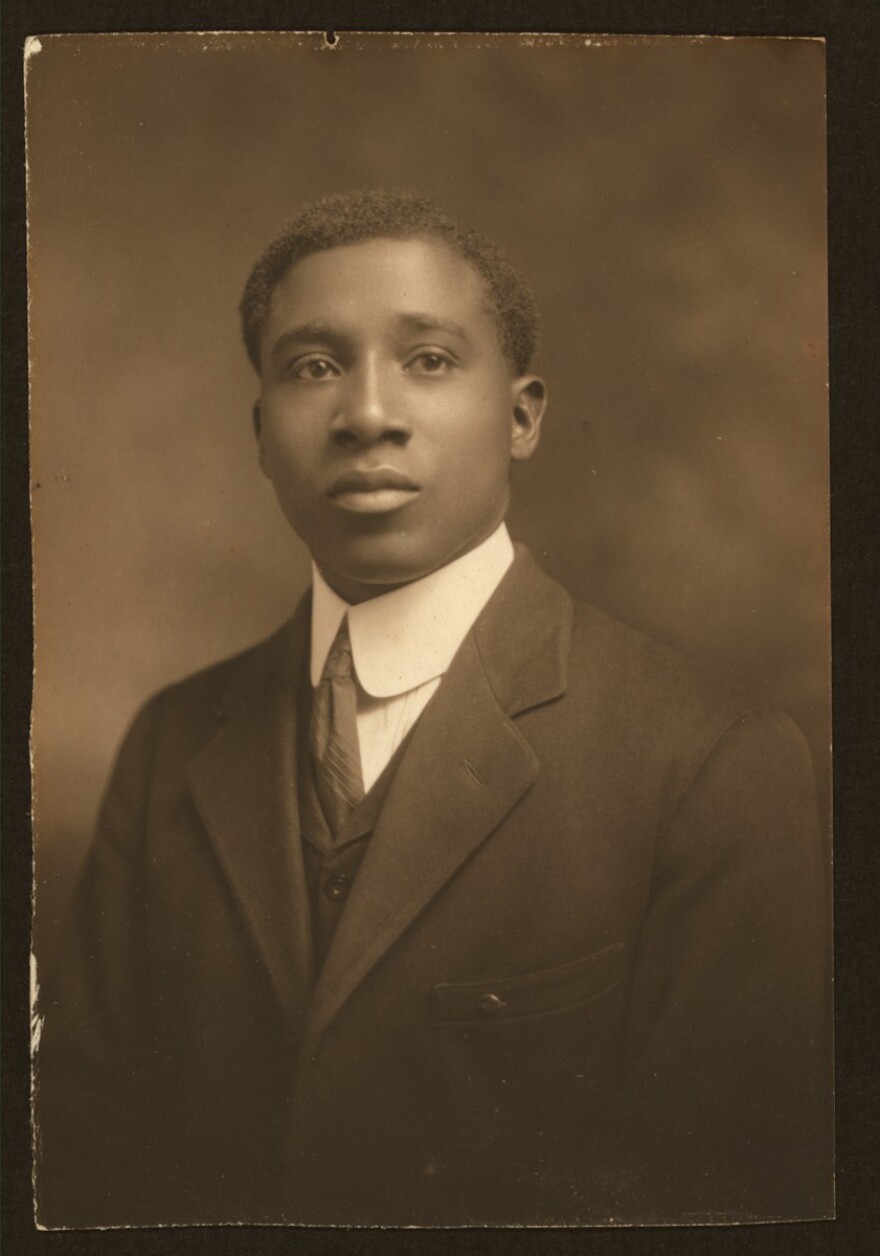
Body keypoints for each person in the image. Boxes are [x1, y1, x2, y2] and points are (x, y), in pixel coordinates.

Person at [35, 189, 832, 1228]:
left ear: (521, 414)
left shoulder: (713, 763)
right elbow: (80, 1156)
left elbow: (729, 1198)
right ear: (260, 431)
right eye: (313, 366)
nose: (367, 412)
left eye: (430, 359)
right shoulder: (171, 742)